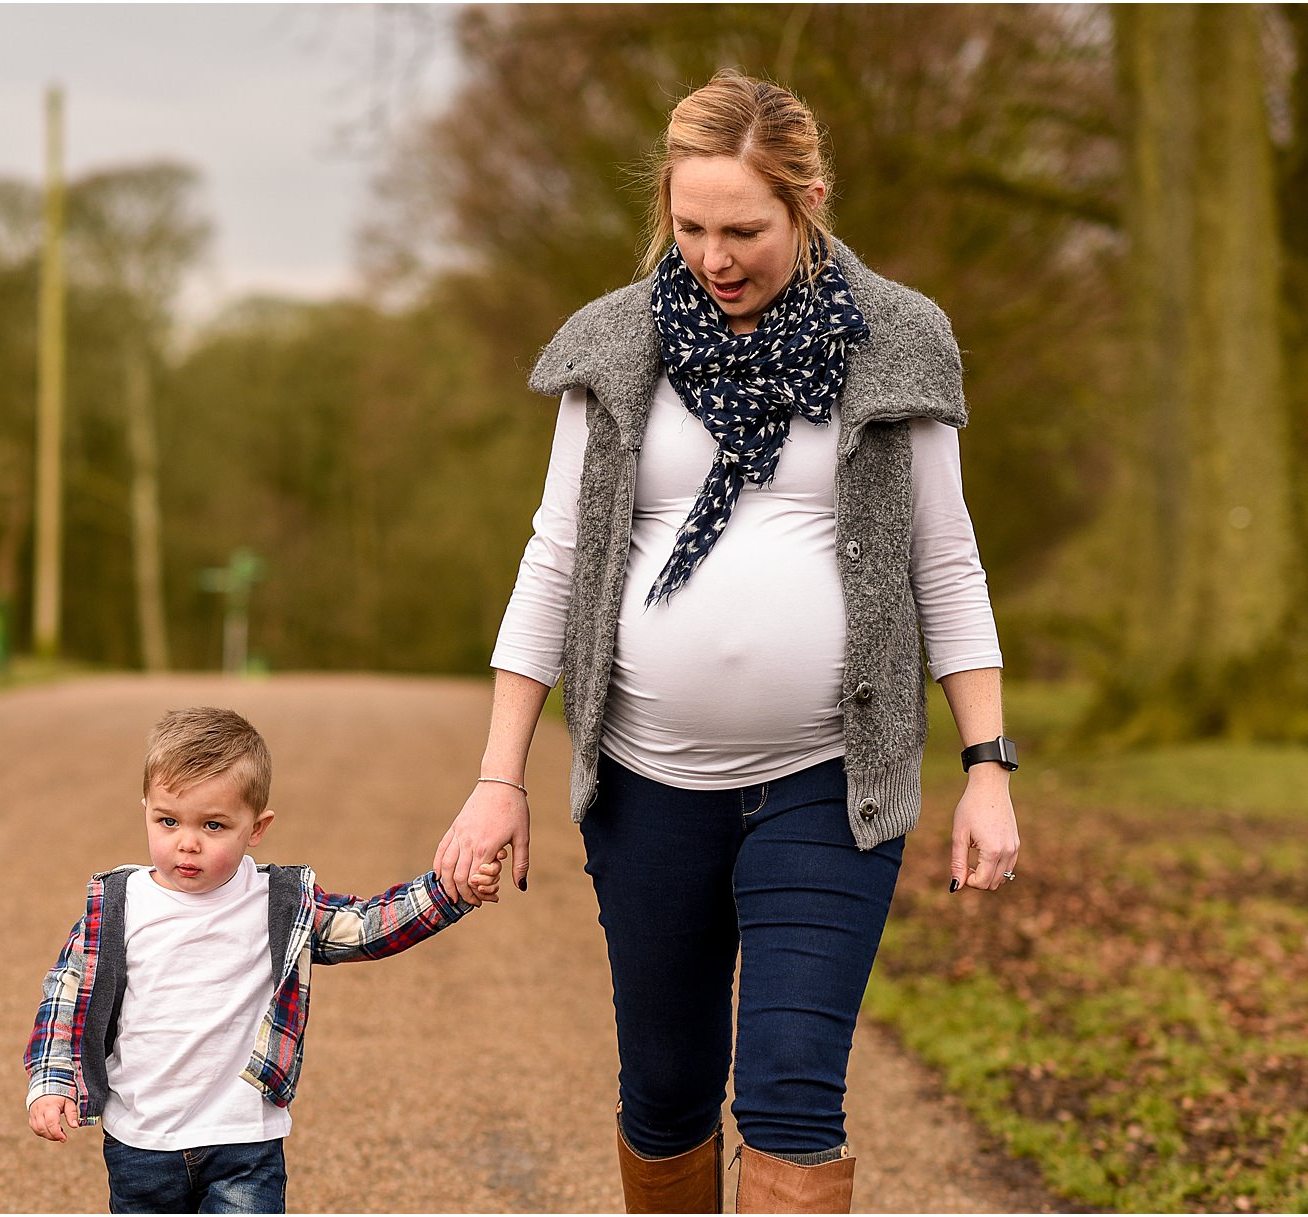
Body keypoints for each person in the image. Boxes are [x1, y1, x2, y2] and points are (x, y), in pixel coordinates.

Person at [433, 69, 1021, 1214]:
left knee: (793, 1095)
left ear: (805, 202)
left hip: (826, 777)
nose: (714, 256)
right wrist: (495, 777)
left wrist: (986, 767)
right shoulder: (610, 347)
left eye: (743, 228)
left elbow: (943, 562)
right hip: (647, 784)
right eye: (691, 226)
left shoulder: (897, 340)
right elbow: (554, 558)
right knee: (663, 1094)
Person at [25, 706, 502, 1214]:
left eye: (213, 825)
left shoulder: (279, 902)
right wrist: (51, 1081)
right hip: (141, 1142)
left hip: (243, 1140)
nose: (187, 842)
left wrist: (449, 892)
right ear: (145, 807)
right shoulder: (118, 904)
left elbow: (364, 928)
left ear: (257, 827)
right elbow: (66, 993)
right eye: (167, 821)